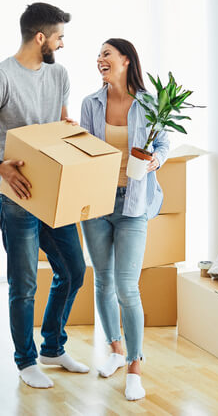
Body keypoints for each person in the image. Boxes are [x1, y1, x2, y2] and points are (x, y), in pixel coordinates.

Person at [0, 3, 89, 389]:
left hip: (54, 191)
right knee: (24, 283)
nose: (62, 44)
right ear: (41, 38)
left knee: (73, 270)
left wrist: (69, 127)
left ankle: (53, 345)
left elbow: (58, 123)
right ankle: (26, 360)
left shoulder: (59, 74)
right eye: (59, 37)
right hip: (16, 196)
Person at [80, 38, 169, 401]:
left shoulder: (149, 104)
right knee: (102, 280)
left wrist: (154, 162)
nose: (100, 59)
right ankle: (116, 352)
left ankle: (135, 366)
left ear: (126, 61)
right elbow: (82, 149)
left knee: (127, 287)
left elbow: (163, 144)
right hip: (96, 205)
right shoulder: (90, 104)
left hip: (134, 204)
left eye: (107, 54)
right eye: (98, 55)